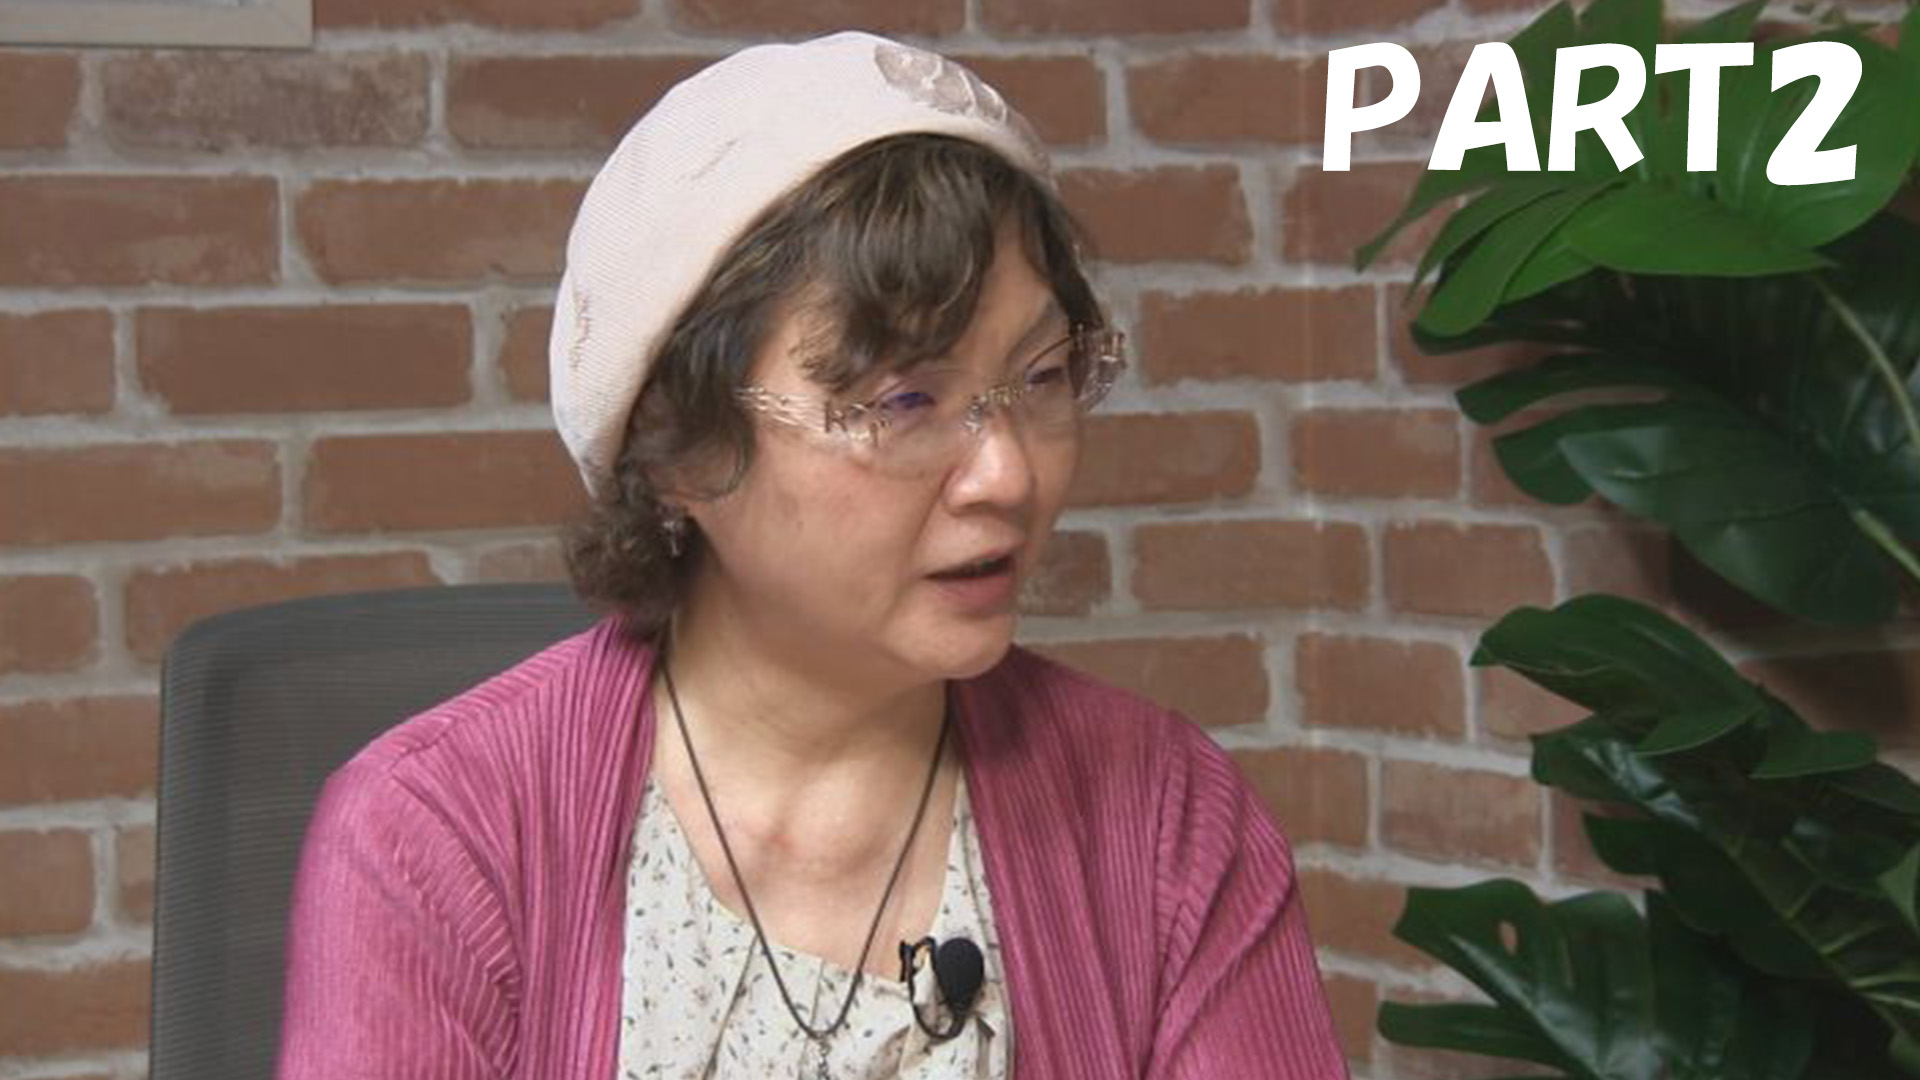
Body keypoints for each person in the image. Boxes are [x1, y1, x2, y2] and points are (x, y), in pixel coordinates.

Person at [277, 31, 1347, 1080]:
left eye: (1042, 378)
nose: (1007, 476)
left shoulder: (1164, 818)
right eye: (905, 401)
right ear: (683, 448)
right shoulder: (438, 839)